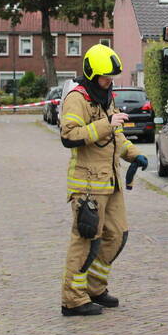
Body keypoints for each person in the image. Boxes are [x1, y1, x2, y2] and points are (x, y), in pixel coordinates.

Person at [59, 44, 147, 317]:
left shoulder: (104, 97)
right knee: (86, 239)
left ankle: (95, 288)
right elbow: (69, 136)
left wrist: (132, 154)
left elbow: (115, 134)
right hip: (87, 185)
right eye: (105, 78)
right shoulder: (78, 99)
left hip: (110, 182)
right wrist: (108, 123)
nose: (110, 83)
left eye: (111, 78)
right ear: (91, 74)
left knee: (117, 235)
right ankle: (72, 299)